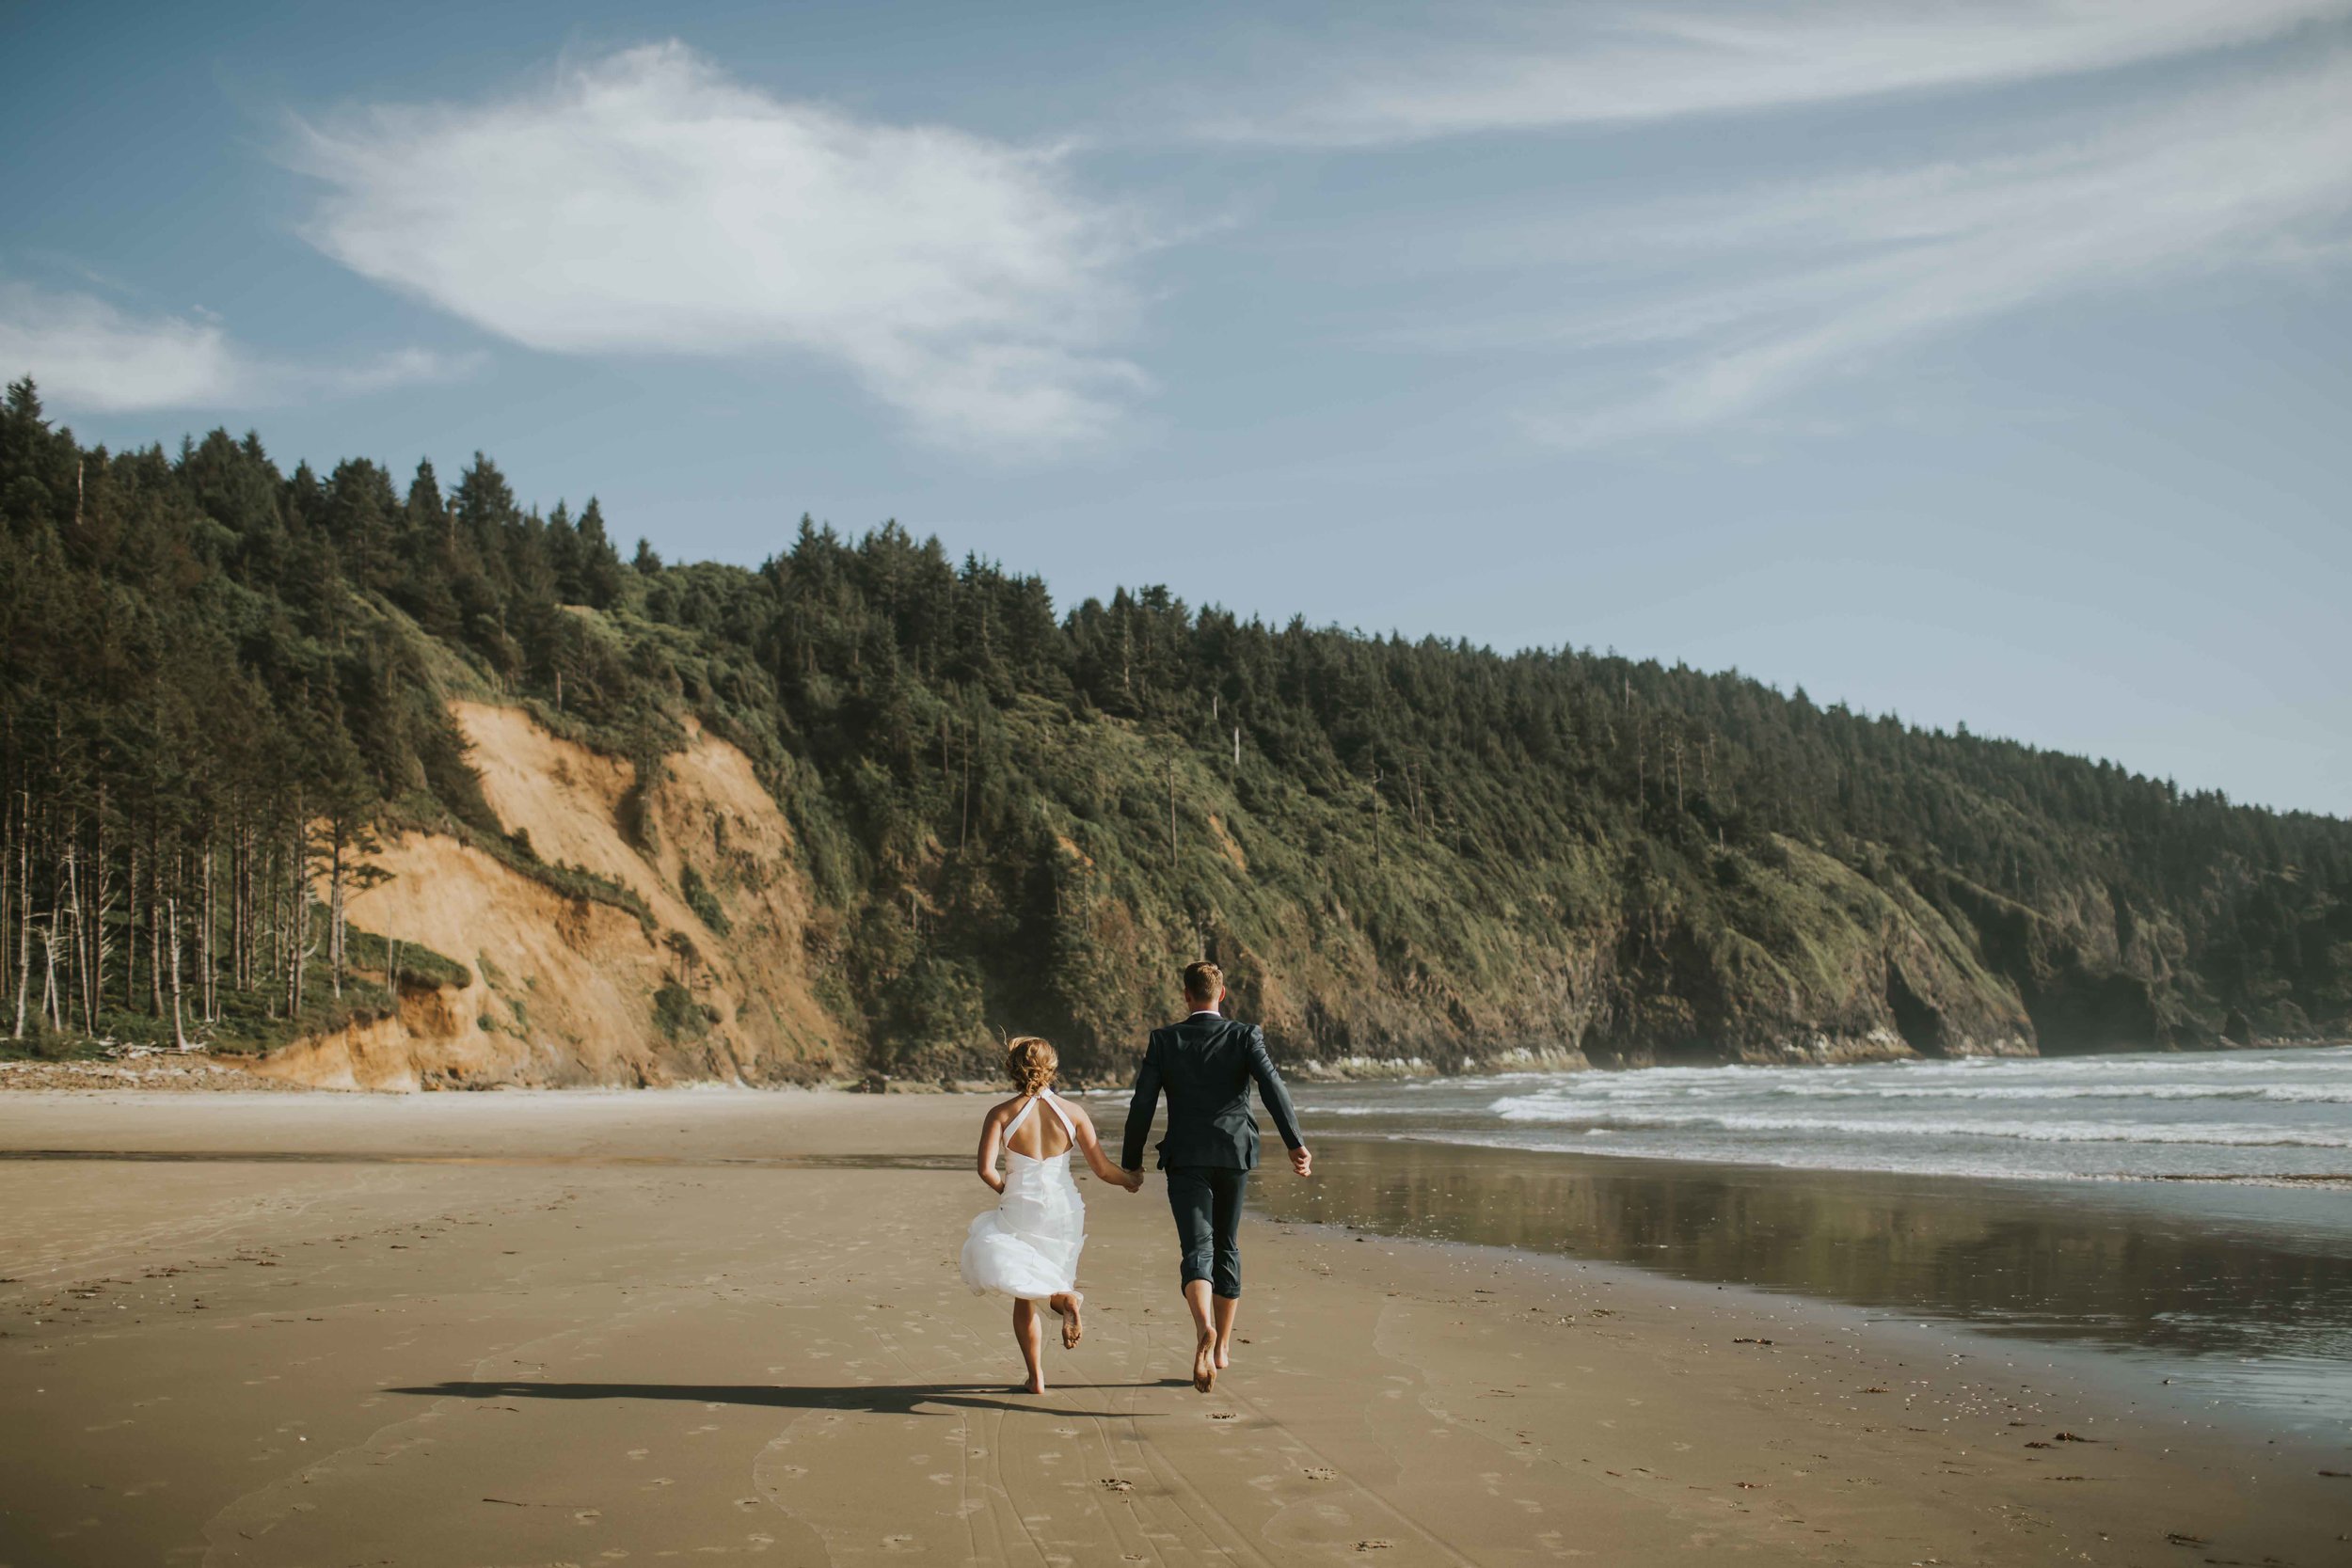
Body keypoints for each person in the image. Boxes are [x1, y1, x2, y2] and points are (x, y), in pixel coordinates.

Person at [1120, 960, 1311, 1393]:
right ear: (1221, 995)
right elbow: (1273, 1087)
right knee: (1227, 1244)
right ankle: (1222, 1347)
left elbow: (1142, 1103)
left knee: (1196, 1248)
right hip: (1234, 1152)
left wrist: (1132, 1161)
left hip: (1186, 1156)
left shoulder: (1164, 1040)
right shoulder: (1245, 1035)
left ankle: (1203, 1326)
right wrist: (1294, 1142)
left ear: (1187, 995)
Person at [961, 1036, 1141, 1394]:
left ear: (1012, 1069)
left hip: (1020, 1207)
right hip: (1063, 1209)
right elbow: (1102, 1168)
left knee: (1024, 1292)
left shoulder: (1001, 1113)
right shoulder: (1073, 1113)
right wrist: (1130, 1180)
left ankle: (1036, 1377)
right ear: (1052, 1068)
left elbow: (985, 1169)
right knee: (1053, 1280)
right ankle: (1067, 1302)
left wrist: (1006, 1191)